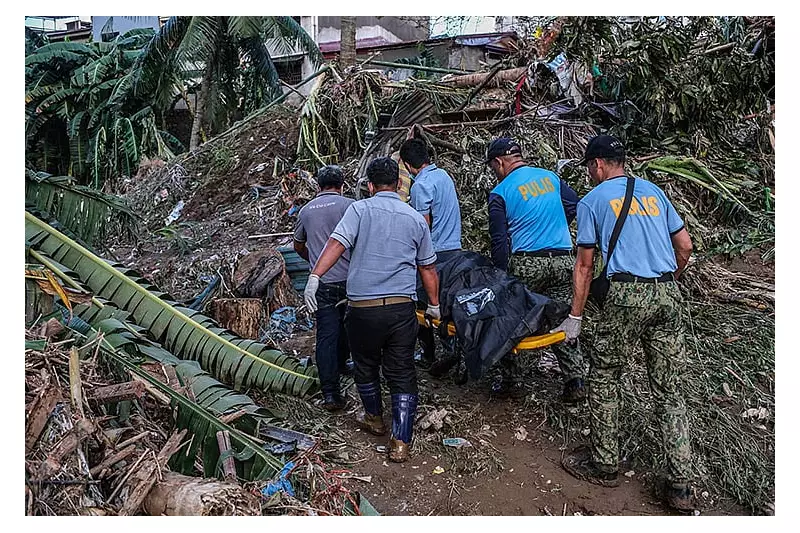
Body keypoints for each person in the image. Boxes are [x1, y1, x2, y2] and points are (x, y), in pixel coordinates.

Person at [553, 134, 695, 511]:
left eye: (589, 167)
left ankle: (605, 464)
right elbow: (685, 246)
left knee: (604, 374)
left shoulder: (592, 201)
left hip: (626, 294)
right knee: (669, 390)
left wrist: (575, 317)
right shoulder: (655, 192)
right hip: (667, 293)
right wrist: (667, 282)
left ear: (598, 164)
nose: (589, 173)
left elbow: (585, 266)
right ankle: (680, 485)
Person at [303, 157, 441, 463]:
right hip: (401, 308)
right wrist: (434, 305)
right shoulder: (415, 218)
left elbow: (336, 244)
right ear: (399, 184)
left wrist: (315, 276)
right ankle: (401, 440)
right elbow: (428, 268)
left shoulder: (358, 210)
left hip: (362, 308)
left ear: (369, 185)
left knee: (365, 364)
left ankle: (375, 419)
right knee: (402, 369)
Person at [485, 137, 585, 403]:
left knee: (513, 318)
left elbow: (499, 240)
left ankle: (511, 379)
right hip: (562, 259)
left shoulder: (500, 192)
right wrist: (554, 225)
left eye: (493, 168)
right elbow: (573, 204)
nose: (494, 173)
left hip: (527, 262)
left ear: (499, 162)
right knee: (562, 318)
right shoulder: (550, 177)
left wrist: (500, 276)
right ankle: (575, 380)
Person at [293, 165, 354, 411]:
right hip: (351, 280)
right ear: (342, 186)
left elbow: (298, 245)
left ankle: (330, 393)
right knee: (350, 327)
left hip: (321, 282)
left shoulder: (306, 211)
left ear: (318, 186)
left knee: (327, 335)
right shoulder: (351, 206)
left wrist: (316, 263)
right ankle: (346, 365)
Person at [400, 138, 463, 371]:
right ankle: (453, 349)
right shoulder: (444, 176)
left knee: (421, 302)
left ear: (408, 165)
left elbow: (422, 225)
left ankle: (429, 353)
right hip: (454, 247)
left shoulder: (421, 185)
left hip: (434, 253)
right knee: (448, 302)